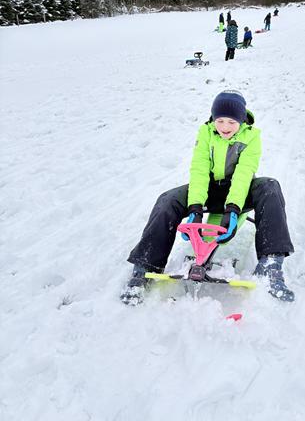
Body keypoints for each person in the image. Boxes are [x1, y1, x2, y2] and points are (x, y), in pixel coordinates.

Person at [122, 90, 295, 304]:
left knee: (271, 187)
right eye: (219, 120)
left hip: (240, 191)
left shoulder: (252, 137)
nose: (224, 127)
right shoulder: (206, 132)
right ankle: (145, 266)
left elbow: (243, 175)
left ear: (241, 120)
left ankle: (270, 266)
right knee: (167, 199)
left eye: (231, 122)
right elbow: (200, 170)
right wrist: (195, 208)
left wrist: (233, 209)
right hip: (211, 189)